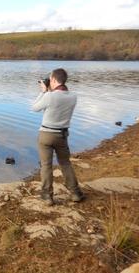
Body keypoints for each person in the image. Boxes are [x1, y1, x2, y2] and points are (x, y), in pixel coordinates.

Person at [31, 68, 84, 206]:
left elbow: (34, 108)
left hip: (46, 135)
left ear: (53, 80)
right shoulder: (73, 96)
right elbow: (58, 101)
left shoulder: (49, 96)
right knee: (65, 163)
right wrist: (49, 91)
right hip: (62, 135)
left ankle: (47, 196)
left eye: (50, 79)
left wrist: (43, 92)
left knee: (46, 166)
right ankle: (75, 193)